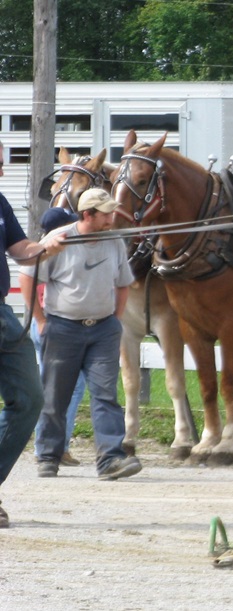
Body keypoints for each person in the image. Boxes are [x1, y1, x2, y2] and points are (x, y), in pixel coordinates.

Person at [20, 188, 140, 480]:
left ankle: (110, 459)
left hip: (103, 330)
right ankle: (48, 456)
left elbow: (123, 283)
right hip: (62, 328)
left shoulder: (114, 241)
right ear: (88, 215)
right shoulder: (58, 241)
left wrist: (116, 319)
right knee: (55, 395)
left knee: (105, 395)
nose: (113, 217)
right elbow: (27, 276)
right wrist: (40, 320)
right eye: (107, 213)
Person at [0, 139, 66, 527]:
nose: (2, 171)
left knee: (30, 399)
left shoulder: (0, 203)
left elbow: (19, 248)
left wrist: (45, 247)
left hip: (3, 316)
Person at [29, 207, 87, 467]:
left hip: (41, 323)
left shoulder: (41, 252)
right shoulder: (57, 253)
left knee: (48, 386)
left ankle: (45, 445)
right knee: (71, 388)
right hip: (55, 325)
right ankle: (56, 446)